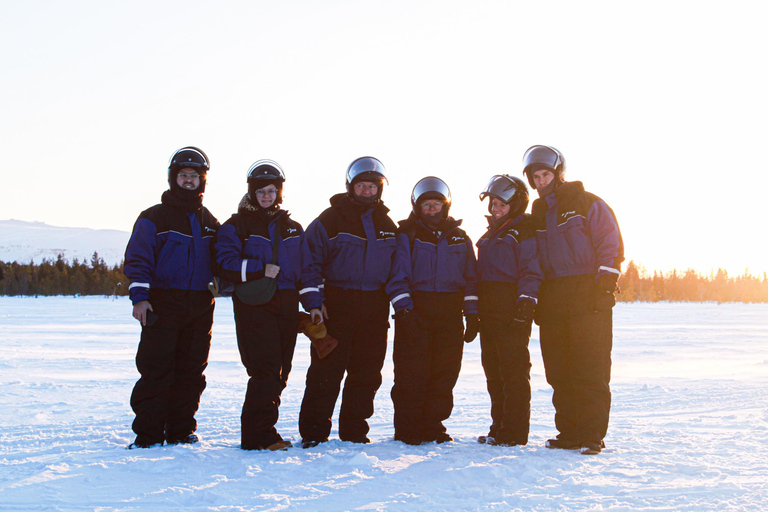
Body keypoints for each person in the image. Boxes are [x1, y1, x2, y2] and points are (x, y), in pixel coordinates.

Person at [213, 160, 322, 451]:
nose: (266, 196)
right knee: (264, 368)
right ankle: (256, 436)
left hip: (286, 303)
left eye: (272, 191)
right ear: (251, 193)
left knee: (281, 371)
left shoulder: (292, 229)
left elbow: (307, 270)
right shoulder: (236, 226)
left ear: (279, 193)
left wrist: (312, 303)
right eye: (261, 191)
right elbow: (224, 262)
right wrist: (260, 268)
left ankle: (265, 431)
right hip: (255, 304)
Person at [523, 145, 624, 455]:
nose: (541, 181)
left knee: (590, 367)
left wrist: (605, 285)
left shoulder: (587, 203)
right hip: (553, 296)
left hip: (587, 293)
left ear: (558, 173)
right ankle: (569, 432)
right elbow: (532, 258)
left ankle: (592, 435)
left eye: (546, 174)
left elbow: (610, 242)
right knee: (559, 369)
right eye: (536, 177)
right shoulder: (537, 215)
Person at [298, 156, 398, 448]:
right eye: (361, 186)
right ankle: (314, 433)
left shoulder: (387, 224)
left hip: (374, 305)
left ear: (380, 189)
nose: (366, 191)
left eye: (372, 187)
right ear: (350, 187)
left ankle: (354, 433)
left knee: (367, 372)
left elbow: (396, 268)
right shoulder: (330, 219)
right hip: (336, 303)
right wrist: (315, 301)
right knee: (326, 370)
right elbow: (309, 262)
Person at [124, 146, 220, 449]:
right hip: (162, 303)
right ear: (173, 178)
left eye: (194, 176)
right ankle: (149, 435)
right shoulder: (153, 217)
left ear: (202, 181)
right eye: (183, 175)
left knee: (192, 371)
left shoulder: (209, 221)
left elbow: (223, 258)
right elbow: (138, 259)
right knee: (157, 368)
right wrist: (140, 298)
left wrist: (223, 282)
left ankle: (180, 430)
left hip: (200, 304)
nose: (189, 180)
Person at [388, 177, 479, 445]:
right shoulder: (407, 235)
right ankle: (408, 428)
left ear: (445, 205)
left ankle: (433, 425)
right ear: (417, 207)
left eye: (436, 204)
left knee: (444, 372)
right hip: (417, 310)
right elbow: (397, 276)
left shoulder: (460, 237)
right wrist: (405, 310)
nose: (431, 209)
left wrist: (472, 313)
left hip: (450, 313)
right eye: (426, 205)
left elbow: (471, 278)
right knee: (412, 372)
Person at [475, 174, 543, 447]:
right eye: (493, 204)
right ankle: (498, 427)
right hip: (488, 310)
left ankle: (514, 432)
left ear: (515, 205)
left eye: (501, 205)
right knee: (493, 371)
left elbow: (532, 269)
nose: (496, 209)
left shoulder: (523, 231)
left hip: (511, 310)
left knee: (513, 372)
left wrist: (526, 301)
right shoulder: (490, 235)